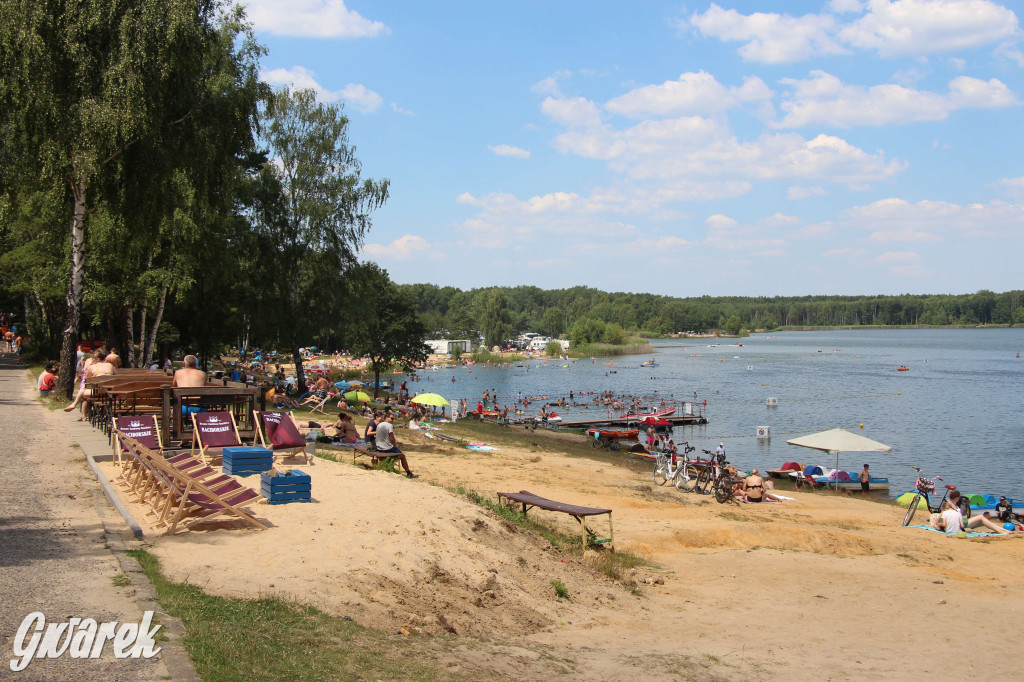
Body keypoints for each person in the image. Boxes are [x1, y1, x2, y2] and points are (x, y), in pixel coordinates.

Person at [374, 414, 417, 478]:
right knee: (402, 456)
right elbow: (392, 438)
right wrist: (394, 445)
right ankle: (408, 473)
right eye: (391, 418)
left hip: (378, 447)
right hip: (387, 448)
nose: (392, 420)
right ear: (386, 417)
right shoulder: (389, 425)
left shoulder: (379, 424)